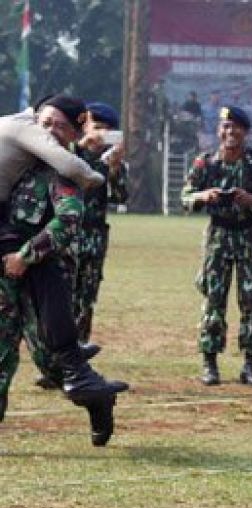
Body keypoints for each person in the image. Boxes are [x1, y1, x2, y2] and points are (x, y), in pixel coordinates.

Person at [0, 96, 129, 445]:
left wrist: (25, 256)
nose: (50, 130)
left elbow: (69, 220)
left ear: (74, 133)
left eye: (60, 126)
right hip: (4, 277)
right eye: (45, 122)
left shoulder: (62, 173)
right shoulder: (18, 160)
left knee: (51, 361)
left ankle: (97, 400)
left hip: (38, 275)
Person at [181, 106, 252, 387]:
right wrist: (205, 196)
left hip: (249, 237)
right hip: (219, 236)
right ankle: (209, 362)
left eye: (236, 127)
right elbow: (185, 197)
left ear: (245, 132)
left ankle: (250, 364)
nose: (230, 132)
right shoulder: (206, 163)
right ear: (218, 130)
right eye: (225, 126)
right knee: (213, 300)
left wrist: (251, 199)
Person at [73, 102, 127, 347]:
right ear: (84, 126)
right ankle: (55, 359)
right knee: (60, 296)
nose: (99, 134)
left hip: (94, 235)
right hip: (66, 234)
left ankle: (80, 352)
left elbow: (120, 198)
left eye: (105, 129)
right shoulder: (69, 153)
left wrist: (114, 169)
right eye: (95, 127)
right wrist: (81, 146)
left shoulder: (111, 162)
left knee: (86, 297)